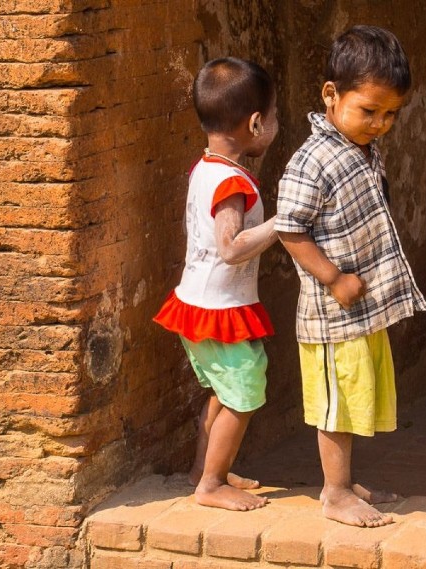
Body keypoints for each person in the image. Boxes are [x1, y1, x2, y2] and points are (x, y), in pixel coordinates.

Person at [275, 25, 426, 528]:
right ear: (331, 95)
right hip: (331, 315)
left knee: (357, 396)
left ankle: (345, 482)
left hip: (359, 313)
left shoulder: (360, 147)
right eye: (369, 111)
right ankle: (335, 493)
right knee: (335, 408)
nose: (381, 123)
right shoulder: (313, 159)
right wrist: (334, 277)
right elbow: (288, 227)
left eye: (390, 114)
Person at [153, 57, 281, 511]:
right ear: (255, 122)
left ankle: (206, 470)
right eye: (275, 117)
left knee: (223, 392)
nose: (276, 126)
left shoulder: (206, 167)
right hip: (220, 309)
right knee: (245, 394)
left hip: (199, 302)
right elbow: (230, 247)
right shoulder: (231, 183)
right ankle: (210, 485)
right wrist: (283, 224)